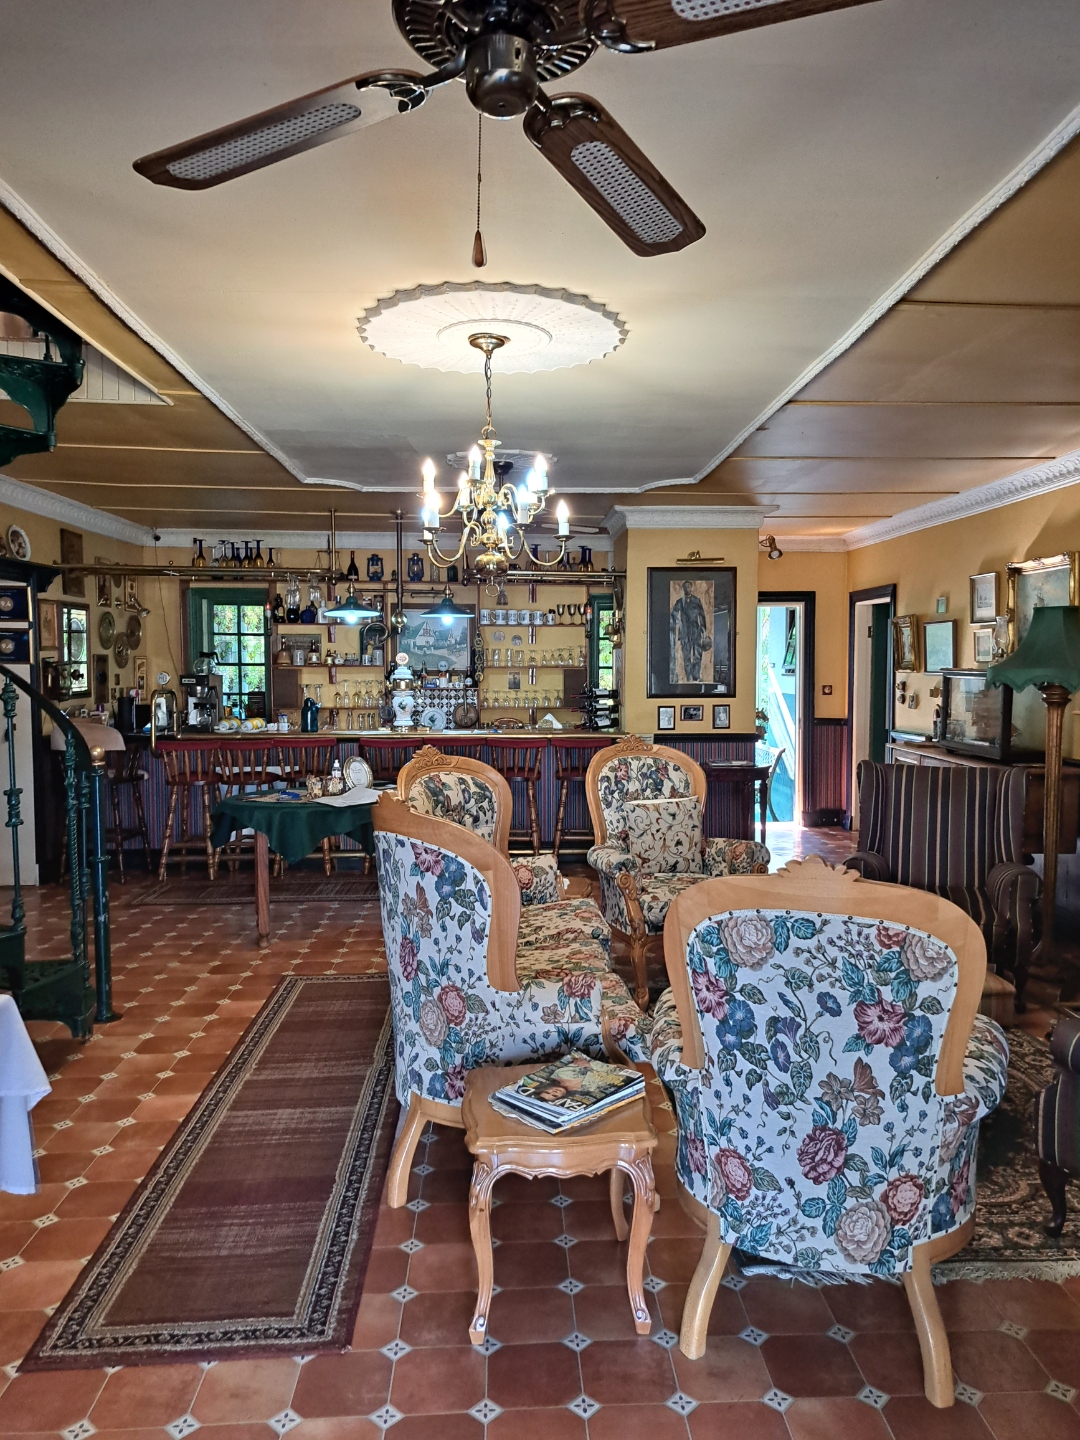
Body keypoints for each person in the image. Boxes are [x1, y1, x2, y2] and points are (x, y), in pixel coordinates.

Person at [671, 580, 709, 683]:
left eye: (689, 587)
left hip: (696, 631)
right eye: (685, 587)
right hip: (684, 633)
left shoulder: (697, 601)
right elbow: (673, 614)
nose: (687, 589)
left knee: (697, 655)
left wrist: (703, 630)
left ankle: (696, 677)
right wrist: (679, 622)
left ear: (691, 588)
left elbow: (702, 615)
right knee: (686, 657)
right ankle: (689, 678)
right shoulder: (680, 602)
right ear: (683, 589)